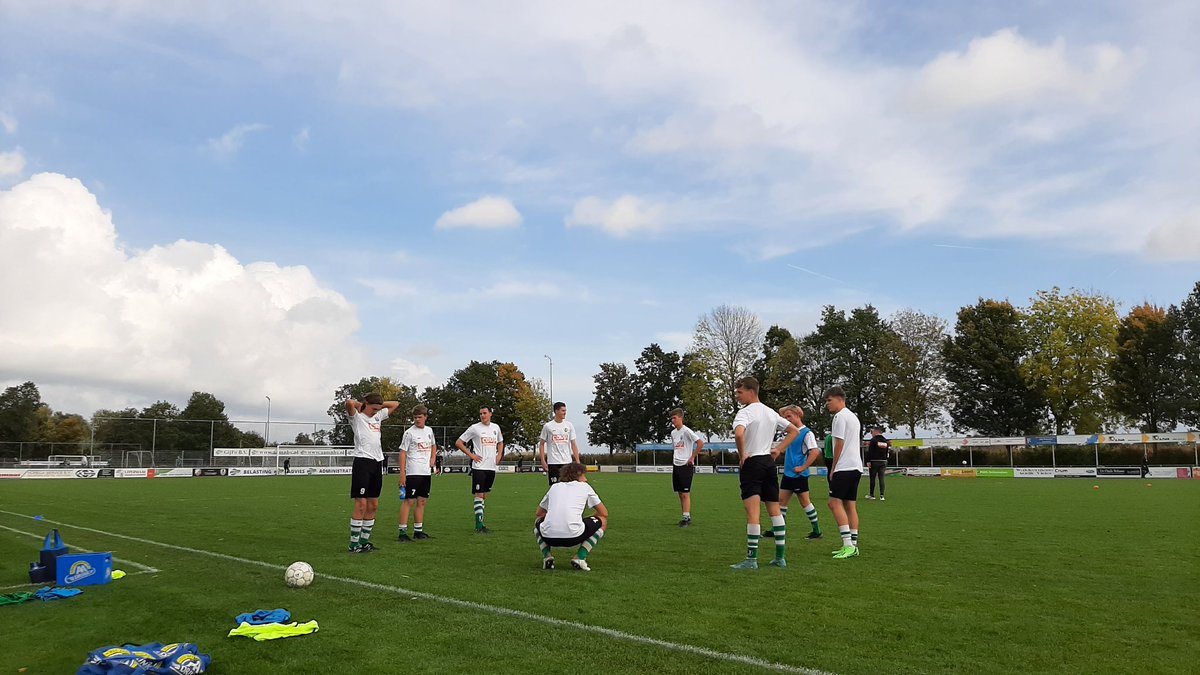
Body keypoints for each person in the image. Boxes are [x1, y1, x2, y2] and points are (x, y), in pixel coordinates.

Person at [729, 376, 800, 570]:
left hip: (753, 463)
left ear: (751, 391)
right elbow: (794, 431)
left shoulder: (745, 413)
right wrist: (779, 449)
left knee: (753, 512)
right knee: (774, 510)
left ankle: (751, 560)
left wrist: (743, 454)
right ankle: (780, 557)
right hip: (769, 463)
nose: (738, 396)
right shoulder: (770, 412)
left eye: (739, 392)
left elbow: (738, 433)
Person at [346, 393, 401, 553]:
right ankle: (353, 544)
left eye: (379, 409)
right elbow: (349, 402)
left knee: (373, 504)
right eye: (374, 408)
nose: (376, 412)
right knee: (361, 503)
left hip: (377, 462)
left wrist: (379, 407)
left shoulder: (378, 416)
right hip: (362, 462)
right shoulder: (357, 418)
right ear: (366, 405)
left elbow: (395, 404)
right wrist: (362, 406)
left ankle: (364, 542)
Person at [533, 462, 609, 571]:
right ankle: (580, 557)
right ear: (578, 475)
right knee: (603, 521)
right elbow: (604, 513)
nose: (586, 479)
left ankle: (547, 557)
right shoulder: (585, 487)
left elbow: (539, 513)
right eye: (583, 475)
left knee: (538, 521)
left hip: (548, 538)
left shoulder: (554, 487)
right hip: (573, 537)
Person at [825, 386, 864, 559]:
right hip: (856, 466)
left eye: (829, 400)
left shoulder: (840, 417)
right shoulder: (853, 417)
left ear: (839, 399)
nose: (827, 404)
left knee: (833, 503)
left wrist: (833, 467)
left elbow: (839, 444)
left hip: (845, 467)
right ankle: (853, 545)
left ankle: (847, 544)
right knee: (850, 505)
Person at [777, 405, 823, 540]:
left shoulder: (807, 433)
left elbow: (815, 451)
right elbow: (780, 411)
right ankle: (779, 529)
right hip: (788, 473)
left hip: (799, 474)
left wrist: (803, 467)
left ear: (798, 415)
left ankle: (817, 531)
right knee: (781, 502)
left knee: (805, 502)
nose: (786, 419)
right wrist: (790, 409)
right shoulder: (792, 432)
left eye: (789, 416)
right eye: (785, 417)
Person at [457, 406, 504, 534]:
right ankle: (479, 525)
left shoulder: (496, 428)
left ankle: (481, 522)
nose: (482, 415)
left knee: (484, 495)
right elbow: (459, 442)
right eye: (480, 414)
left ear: (490, 414)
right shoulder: (475, 428)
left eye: (484, 413)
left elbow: (500, 442)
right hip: (479, 467)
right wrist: (471, 455)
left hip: (491, 467)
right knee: (479, 495)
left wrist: (499, 455)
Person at [397, 404, 437, 542]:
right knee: (409, 501)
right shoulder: (409, 433)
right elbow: (402, 453)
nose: (417, 420)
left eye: (420, 417)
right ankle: (402, 532)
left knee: (422, 501)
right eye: (415, 417)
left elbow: (433, 445)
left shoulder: (429, 431)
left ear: (425, 417)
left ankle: (418, 531)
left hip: (426, 472)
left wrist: (433, 458)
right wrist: (402, 473)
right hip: (413, 472)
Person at [669, 408, 705, 527]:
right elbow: (676, 448)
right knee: (680, 493)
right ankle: (684, 516)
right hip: (676, 465)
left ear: (681, 418)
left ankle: (687, 518)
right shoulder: (673, 433)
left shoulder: (687, 431)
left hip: (686, 465)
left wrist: (692, 457)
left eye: (674, 418)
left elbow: (700, 443)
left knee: (685, 493)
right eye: (671, 418)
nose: (672, 420)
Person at [538, 402, 581, 486]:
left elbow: (573, 444)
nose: (565, 413)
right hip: (553, 462)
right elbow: (542, 444)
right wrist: (543, 460)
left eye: (565, 410)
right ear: (556, 411)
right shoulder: (548, 426)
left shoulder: (569, 425)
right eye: (563, 411)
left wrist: (577, 461)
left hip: (567, 462)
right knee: (555, 487)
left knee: (568, 486)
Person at [865, 425, 890, 500]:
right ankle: (882, 495)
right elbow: (886, 452)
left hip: (874, 461)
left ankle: (872, 495)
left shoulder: (873, 440)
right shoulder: (885, 440)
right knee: (881, 478)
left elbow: (870, 452)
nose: (871, 433)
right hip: (883, 461)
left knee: (872, 478)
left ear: (876, 432)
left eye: (872, 432)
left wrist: (868, 461)